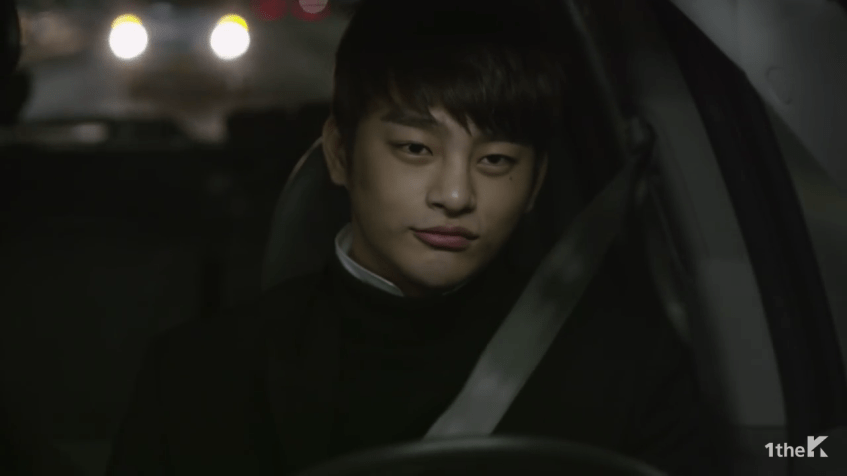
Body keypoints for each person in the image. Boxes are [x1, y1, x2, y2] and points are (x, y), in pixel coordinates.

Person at [107, 0, 727, 474]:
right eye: (414, 148)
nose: (455, 195)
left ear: (536, 182)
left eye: (496, 161)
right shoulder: (196, 380)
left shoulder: (629, 372)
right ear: (340, 154)